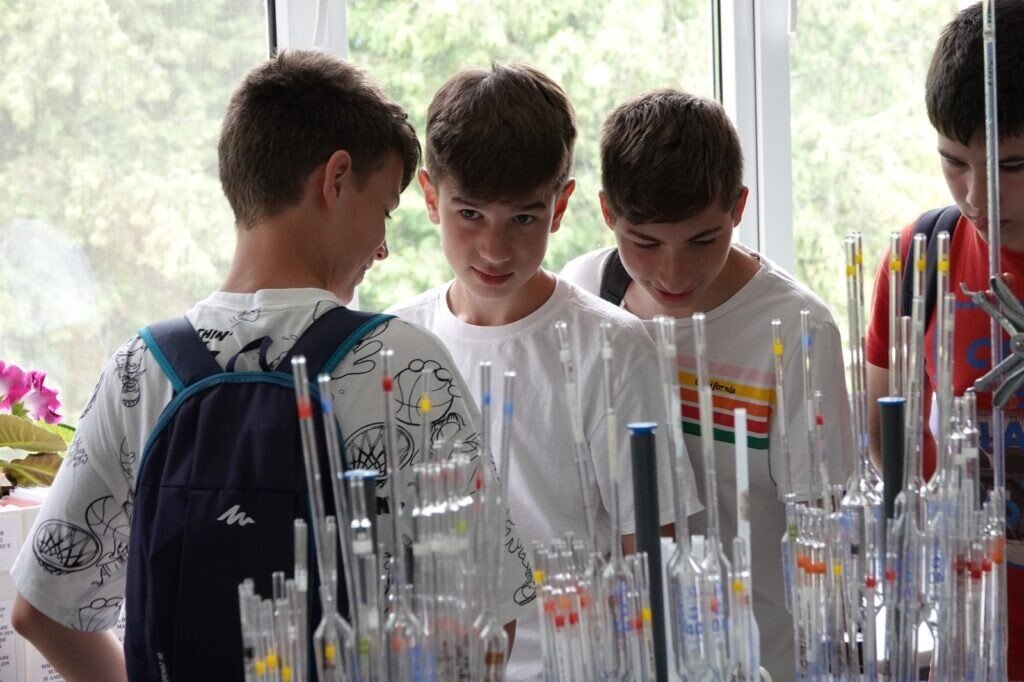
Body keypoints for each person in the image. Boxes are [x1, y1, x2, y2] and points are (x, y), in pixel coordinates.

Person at [10, 50, 531, 681]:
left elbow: (41, 612)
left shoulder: (139, 368)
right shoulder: (401, 364)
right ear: (336, 178)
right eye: (384, 209)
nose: (383, 248)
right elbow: (486, 623)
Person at [386, 63, 696, 680]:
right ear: (430, 197)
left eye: (523, 218)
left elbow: (653, 554)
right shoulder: (397, 346)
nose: (495, 249)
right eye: (470, 214)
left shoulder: (613, 348)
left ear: (560, 207)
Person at [560, 88, 854, 677]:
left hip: (757, 660)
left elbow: (822, 534)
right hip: (625, 655)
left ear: (739, 207)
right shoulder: (583, 290)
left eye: (702, 240)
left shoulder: (799, 330)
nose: (674, 273)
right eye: (645, 243)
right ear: (607, 212)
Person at [865, 1, 1024, 675]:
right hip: (967, 638)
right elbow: (887, 435)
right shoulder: (918, 258)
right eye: (953, 161)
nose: (979, 195)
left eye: (1013, 165)